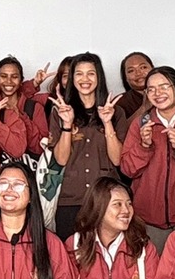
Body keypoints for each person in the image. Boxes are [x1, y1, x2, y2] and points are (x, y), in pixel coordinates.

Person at [117, 66, 175, 243]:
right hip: (147, 220)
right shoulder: (140, 123)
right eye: (151, 89)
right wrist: (144, 146)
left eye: (164, 86)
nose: (157, 93)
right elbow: (127, 170)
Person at [49, 52, 124, 240]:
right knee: (70, 253)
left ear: (99, 77)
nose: (85, 79)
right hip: (70, 199)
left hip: (105, 198)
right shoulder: (60, 112)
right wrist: (67, 124)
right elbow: (60, 160)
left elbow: (117, 159)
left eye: (91, 73)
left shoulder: (116, 112)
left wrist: (107, 122)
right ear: (72, 79)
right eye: (79, 74)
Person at [0, 56, 48, 164]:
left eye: (14, 76)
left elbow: (41, 148)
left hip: (30, 170)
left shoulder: (34, 108)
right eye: (3, 76)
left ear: (21, 81)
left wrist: (22, 118)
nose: (9, 81)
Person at [112, 50, 154, 127]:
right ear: (125, 78)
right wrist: (144, 108)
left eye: (143, 67)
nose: (138, 73)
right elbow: (117, 131)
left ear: (153, 69)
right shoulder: (119, 102)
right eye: (131, 71)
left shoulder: (171, 93)